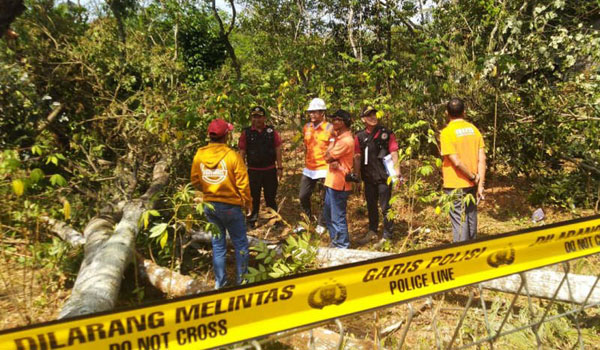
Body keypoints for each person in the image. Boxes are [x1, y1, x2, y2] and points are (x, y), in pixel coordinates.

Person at [191, 118, 252, 289]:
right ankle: (243, 282)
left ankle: (220, 284)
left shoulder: (200, 154)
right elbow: (243, 183)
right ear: (226, 136)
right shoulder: (233, 156)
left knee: (218, 246)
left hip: (210, 206)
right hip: (231, 207)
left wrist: (208, 189)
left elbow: (195, 179)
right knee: (240, 243)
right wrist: (248, 203)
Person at [440, 98, 486, 242]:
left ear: (447, 113)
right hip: (472, 184)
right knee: (471, 219)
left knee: (460, 224)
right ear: (464, 112)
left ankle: (462, 257)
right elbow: (482, 159)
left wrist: (472, 177)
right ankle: (473, 252)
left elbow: (456, 162)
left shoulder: (446, 133)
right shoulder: (474, 130)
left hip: (455, 184)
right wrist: (480, 184)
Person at [354, 106, 401, 248]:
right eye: (369, 115)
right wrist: (356, 176)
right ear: (363, 119)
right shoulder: (359, 136)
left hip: (384, 176)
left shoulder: (386, 133)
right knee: (371, 205)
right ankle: (372, 231)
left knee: (386, 206)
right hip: (368, 177)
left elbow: (394, 152)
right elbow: (357, 157)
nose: (373, 117)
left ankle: (388, 235)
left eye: (374, 114)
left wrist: (397, 171)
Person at [238, 106, 283, 228]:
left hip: (270, 170)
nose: (256, 119)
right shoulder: (246, 133)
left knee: (270, 196)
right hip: (253, 171)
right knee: (253, 197)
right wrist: (241, 170)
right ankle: (252, 220)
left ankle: (275, 220)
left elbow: (278, 149)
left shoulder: (271, 132)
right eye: (254, 116)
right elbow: (242, 152)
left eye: (259, 116)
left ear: (264, 117)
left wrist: (280, 167)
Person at [296, 97, 334, 234]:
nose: (312, 115)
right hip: (309, 168)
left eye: (315, 112)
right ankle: (306, 221)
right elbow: (306, 146)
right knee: (303, 195)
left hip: (324, 168)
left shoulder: (330, 128)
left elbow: (334, 148)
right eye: (310, 112)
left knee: (324, 198)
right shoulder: (306, 127)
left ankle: (322, 223)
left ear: (322, 112)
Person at [322, 109, 355, 248]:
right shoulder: (337, 138)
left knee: (338, 218)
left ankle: (342, 246)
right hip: (331, 182)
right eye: (333, 119)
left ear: (345, 122)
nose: (334, 122)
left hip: (339, 184)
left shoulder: (345, 141)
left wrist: (330, 158)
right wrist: (330, 158)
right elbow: (328, 156)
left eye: (337, 120)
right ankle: (335, 242)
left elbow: (327, 156)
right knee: (328, 216)